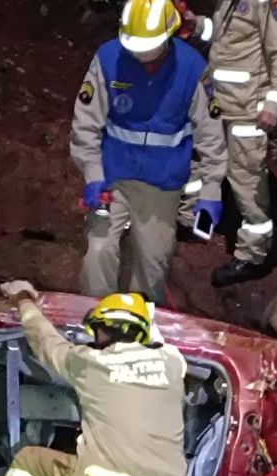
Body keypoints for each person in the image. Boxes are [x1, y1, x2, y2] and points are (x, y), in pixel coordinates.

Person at [0, 281, 190, 476]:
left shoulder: (88, 362)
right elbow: (155, 341)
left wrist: (24, 299)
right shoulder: (173, 362)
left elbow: (44, 340)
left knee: (27, 462)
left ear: (102, 329)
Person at [71, 0, 227, 307]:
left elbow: (211, 133)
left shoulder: (192, 68)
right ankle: (93, 323)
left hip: (163, 183)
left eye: (149, 48)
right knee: (98, 251)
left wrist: (211, 190)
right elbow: (85, 124)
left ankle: (137, 326)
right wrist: (93, 176)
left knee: (152, 263)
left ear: (169, 36)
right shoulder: (108, 59)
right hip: (114, 175)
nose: (141, 56)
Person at [182, 0, 277, 287]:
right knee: (200, 160)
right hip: (217, 102)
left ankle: (252, 256)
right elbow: (224, 37)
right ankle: (196, 221)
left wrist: (274, 101)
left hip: (248, 110)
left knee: (247, 180)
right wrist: (198, 25)